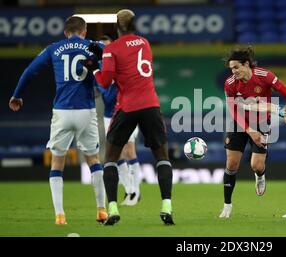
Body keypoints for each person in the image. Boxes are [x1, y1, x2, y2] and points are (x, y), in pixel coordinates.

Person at [9, 16, 107, 225]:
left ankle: (60, 215)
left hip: (62, 111)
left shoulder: (53, 48)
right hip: (86, 110)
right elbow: (113, 59)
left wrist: (17, 95)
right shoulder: (94, 46)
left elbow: (30, 71)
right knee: (94, 160)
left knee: (57, 162)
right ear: (84, 31)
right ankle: (101, 210)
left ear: (65, 32)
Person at [82, 9, 174, 225]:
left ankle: (113, 208)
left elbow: (105, 82)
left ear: (117, 26)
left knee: (111, 159)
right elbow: (130, 56)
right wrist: (105, 50)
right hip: (151, 104)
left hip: (127, 107)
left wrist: (96, 66)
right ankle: (167, 207)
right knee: (162, 156)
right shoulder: (145, 43)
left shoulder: (112, 49)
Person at [220, 45, 286, 218]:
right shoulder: (230, 84)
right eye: (231, 68)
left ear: (246, 64)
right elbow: (232, 110)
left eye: (236, 67)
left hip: (262, 123)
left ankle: (260, 175)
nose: (233, 71)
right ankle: (227, 205)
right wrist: (249, 130)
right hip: (239, 123)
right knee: (231, 164)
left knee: (257, 165)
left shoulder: (265, 76)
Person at [96, 35, 142, 206]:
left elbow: (108, 95)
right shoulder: (101, 68)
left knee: (129, 151)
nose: (105, 50)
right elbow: (107, 99)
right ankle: (129, 190)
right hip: (109, 116)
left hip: (127, 111)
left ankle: (136, 192)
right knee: (116, 153)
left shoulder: (121, 65)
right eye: (102, 47)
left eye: (107, 46)